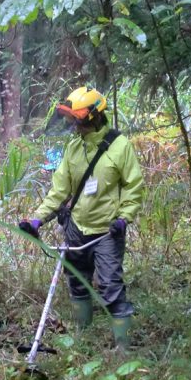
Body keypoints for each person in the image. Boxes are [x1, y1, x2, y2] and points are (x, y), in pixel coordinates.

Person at [24, 86, 143, 348]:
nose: (72, 125)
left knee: (111, 286)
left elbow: (133, 187)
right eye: (70, 120)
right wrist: (37, 219)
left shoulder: (120, 146)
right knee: (77, 282)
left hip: (107, 230)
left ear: (93, 117)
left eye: (76, 120)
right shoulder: (74, 147)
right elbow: (60, 189)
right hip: (76, 228)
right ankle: (83, 339)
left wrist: (124, 218)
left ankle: (122, 349)